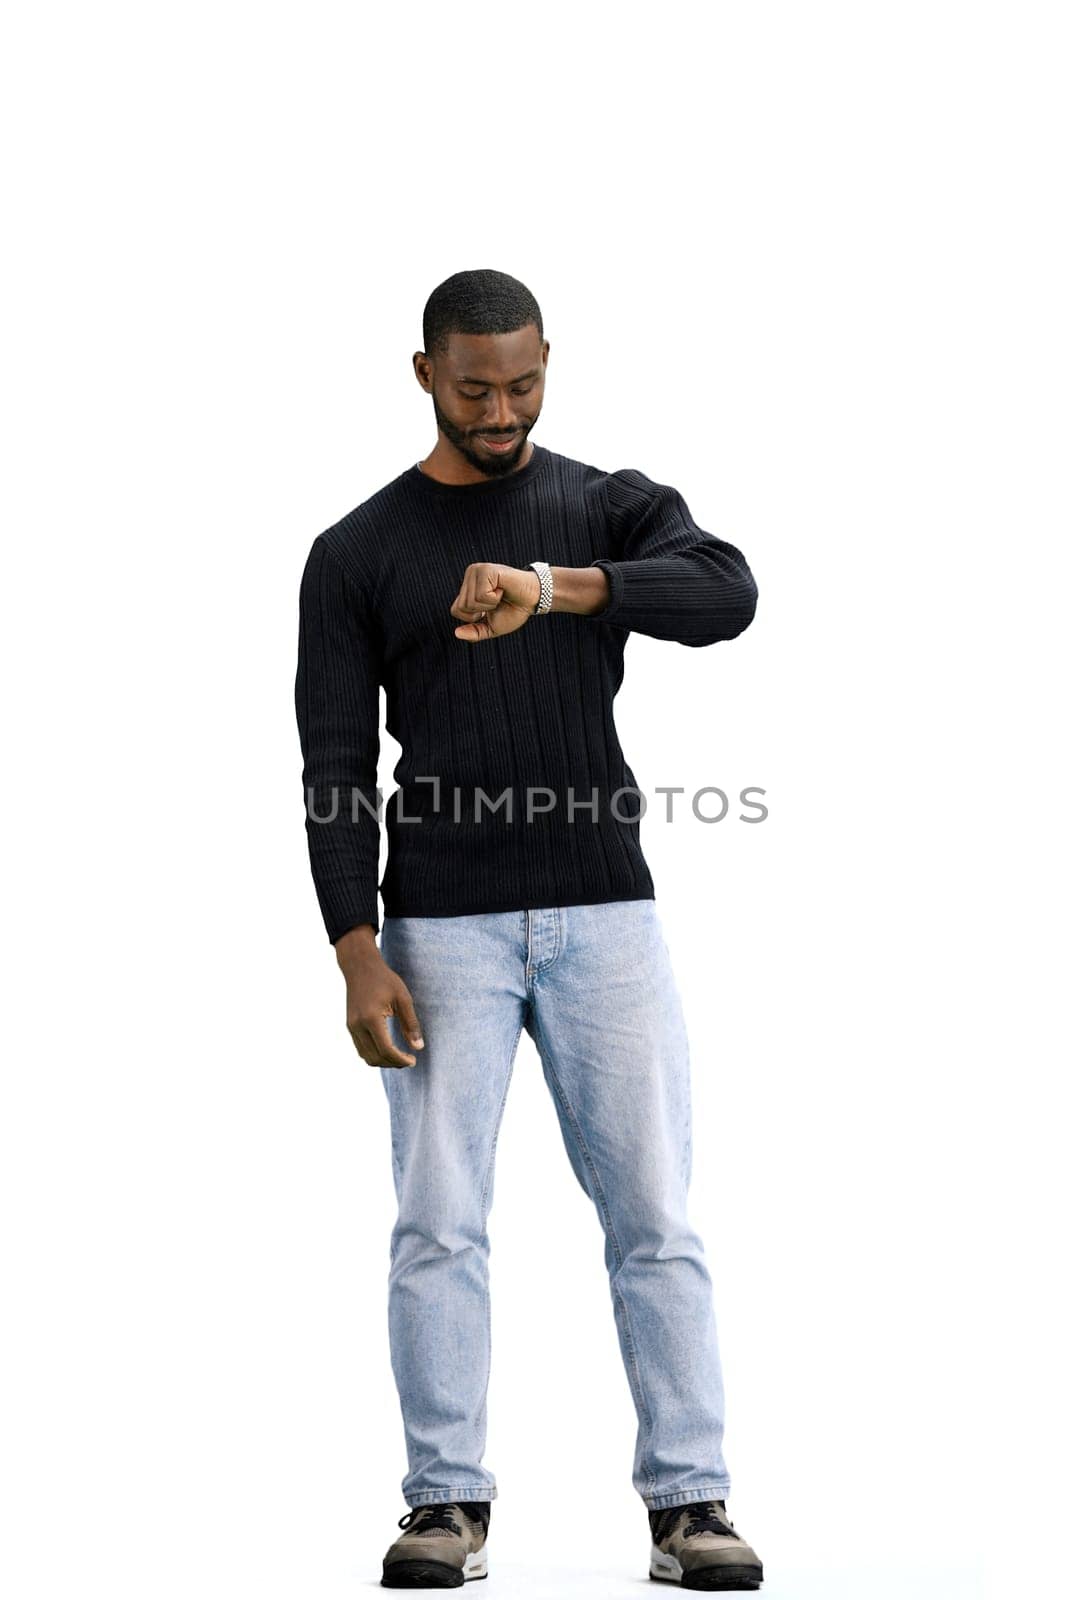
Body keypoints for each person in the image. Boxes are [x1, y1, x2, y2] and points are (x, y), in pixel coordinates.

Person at [294, 268, 764, 1590]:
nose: (501, 411)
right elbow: (334, 761)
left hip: (606, 911)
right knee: (438, 1221)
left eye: (524, 384)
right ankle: (445, 1505)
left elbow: (724, 593)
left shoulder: (603, 505)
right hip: (440, 928)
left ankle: (692, 1506)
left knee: (655, 1213)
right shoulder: (357, 551)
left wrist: (556, 589)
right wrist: (354, 943)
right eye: (475, 388)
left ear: (548, 361)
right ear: (425, 375)